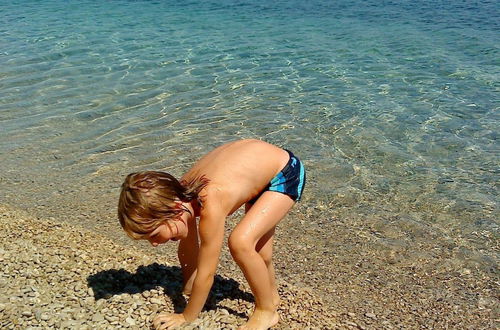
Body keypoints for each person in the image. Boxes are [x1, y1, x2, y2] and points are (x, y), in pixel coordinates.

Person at [118, 139, 306, 330]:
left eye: (154, 235)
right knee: (260, 252)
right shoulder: (180, 197)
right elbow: (189, 247)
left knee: (241, 242)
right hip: (263, 172)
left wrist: (186, 316)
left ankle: (266, 311)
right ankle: (272, 297)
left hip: (285, 173)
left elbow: (207, 273)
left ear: (173, 210)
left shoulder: (210, 201)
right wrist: (190, 287)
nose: (155, 244)